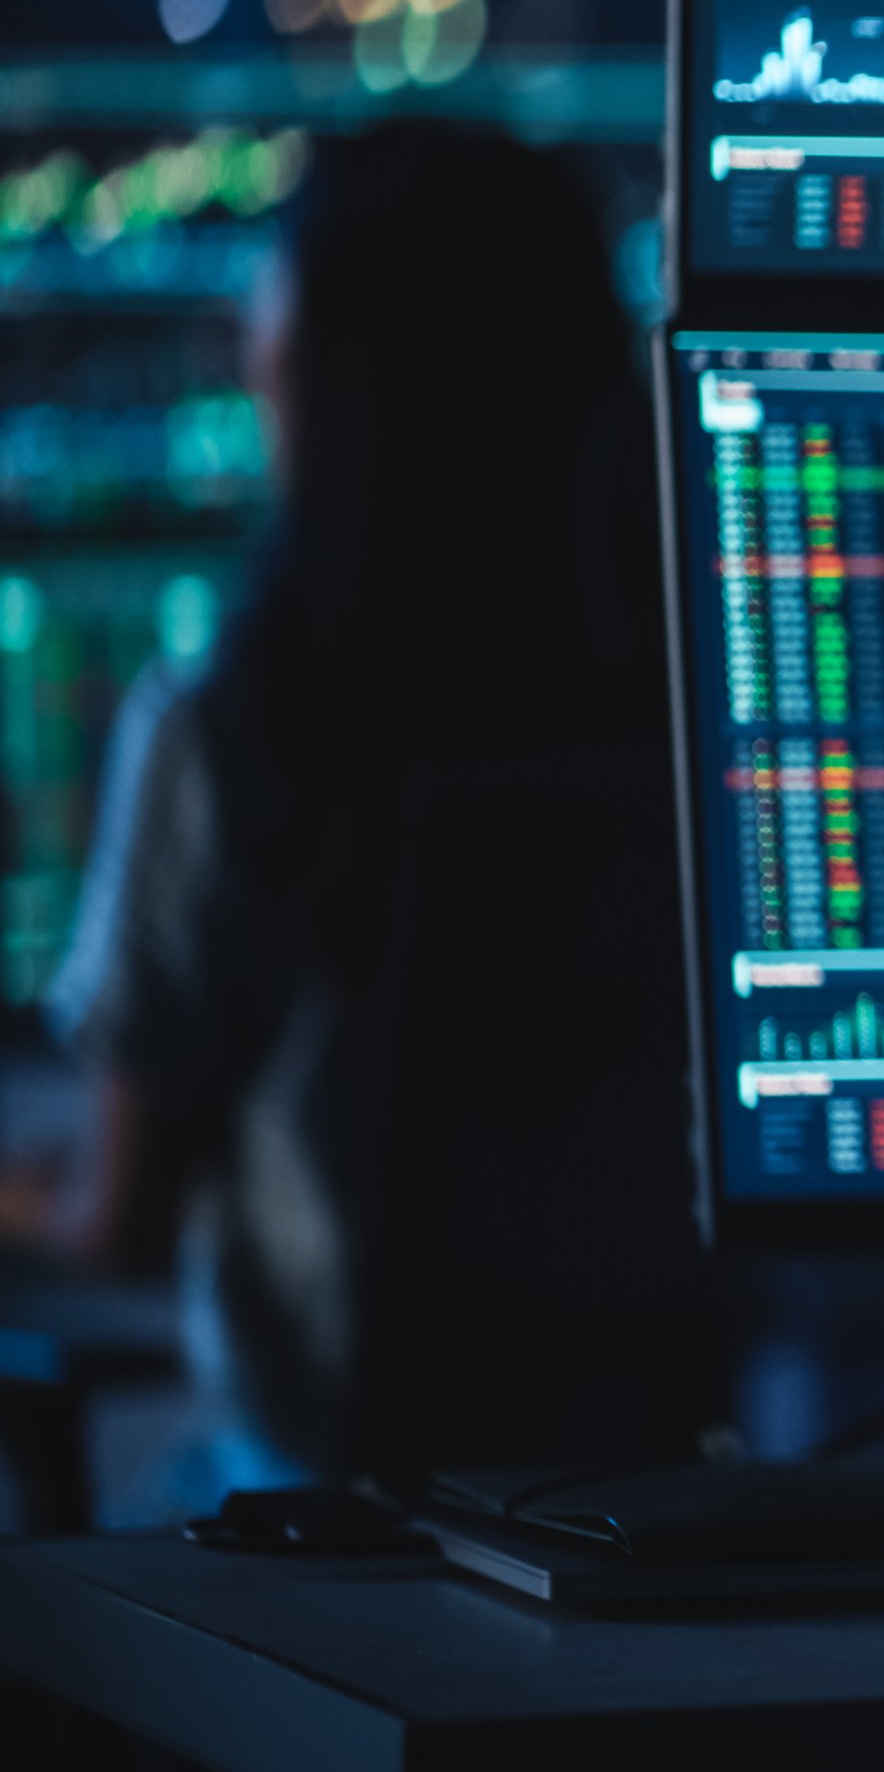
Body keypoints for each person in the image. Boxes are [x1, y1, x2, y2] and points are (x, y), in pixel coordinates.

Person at [56, 121, 720, 1495]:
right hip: (637, 1507)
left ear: (317, 371)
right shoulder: (689, 722)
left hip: (329, 1524)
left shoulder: (232, 734)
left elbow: (119, 1224)